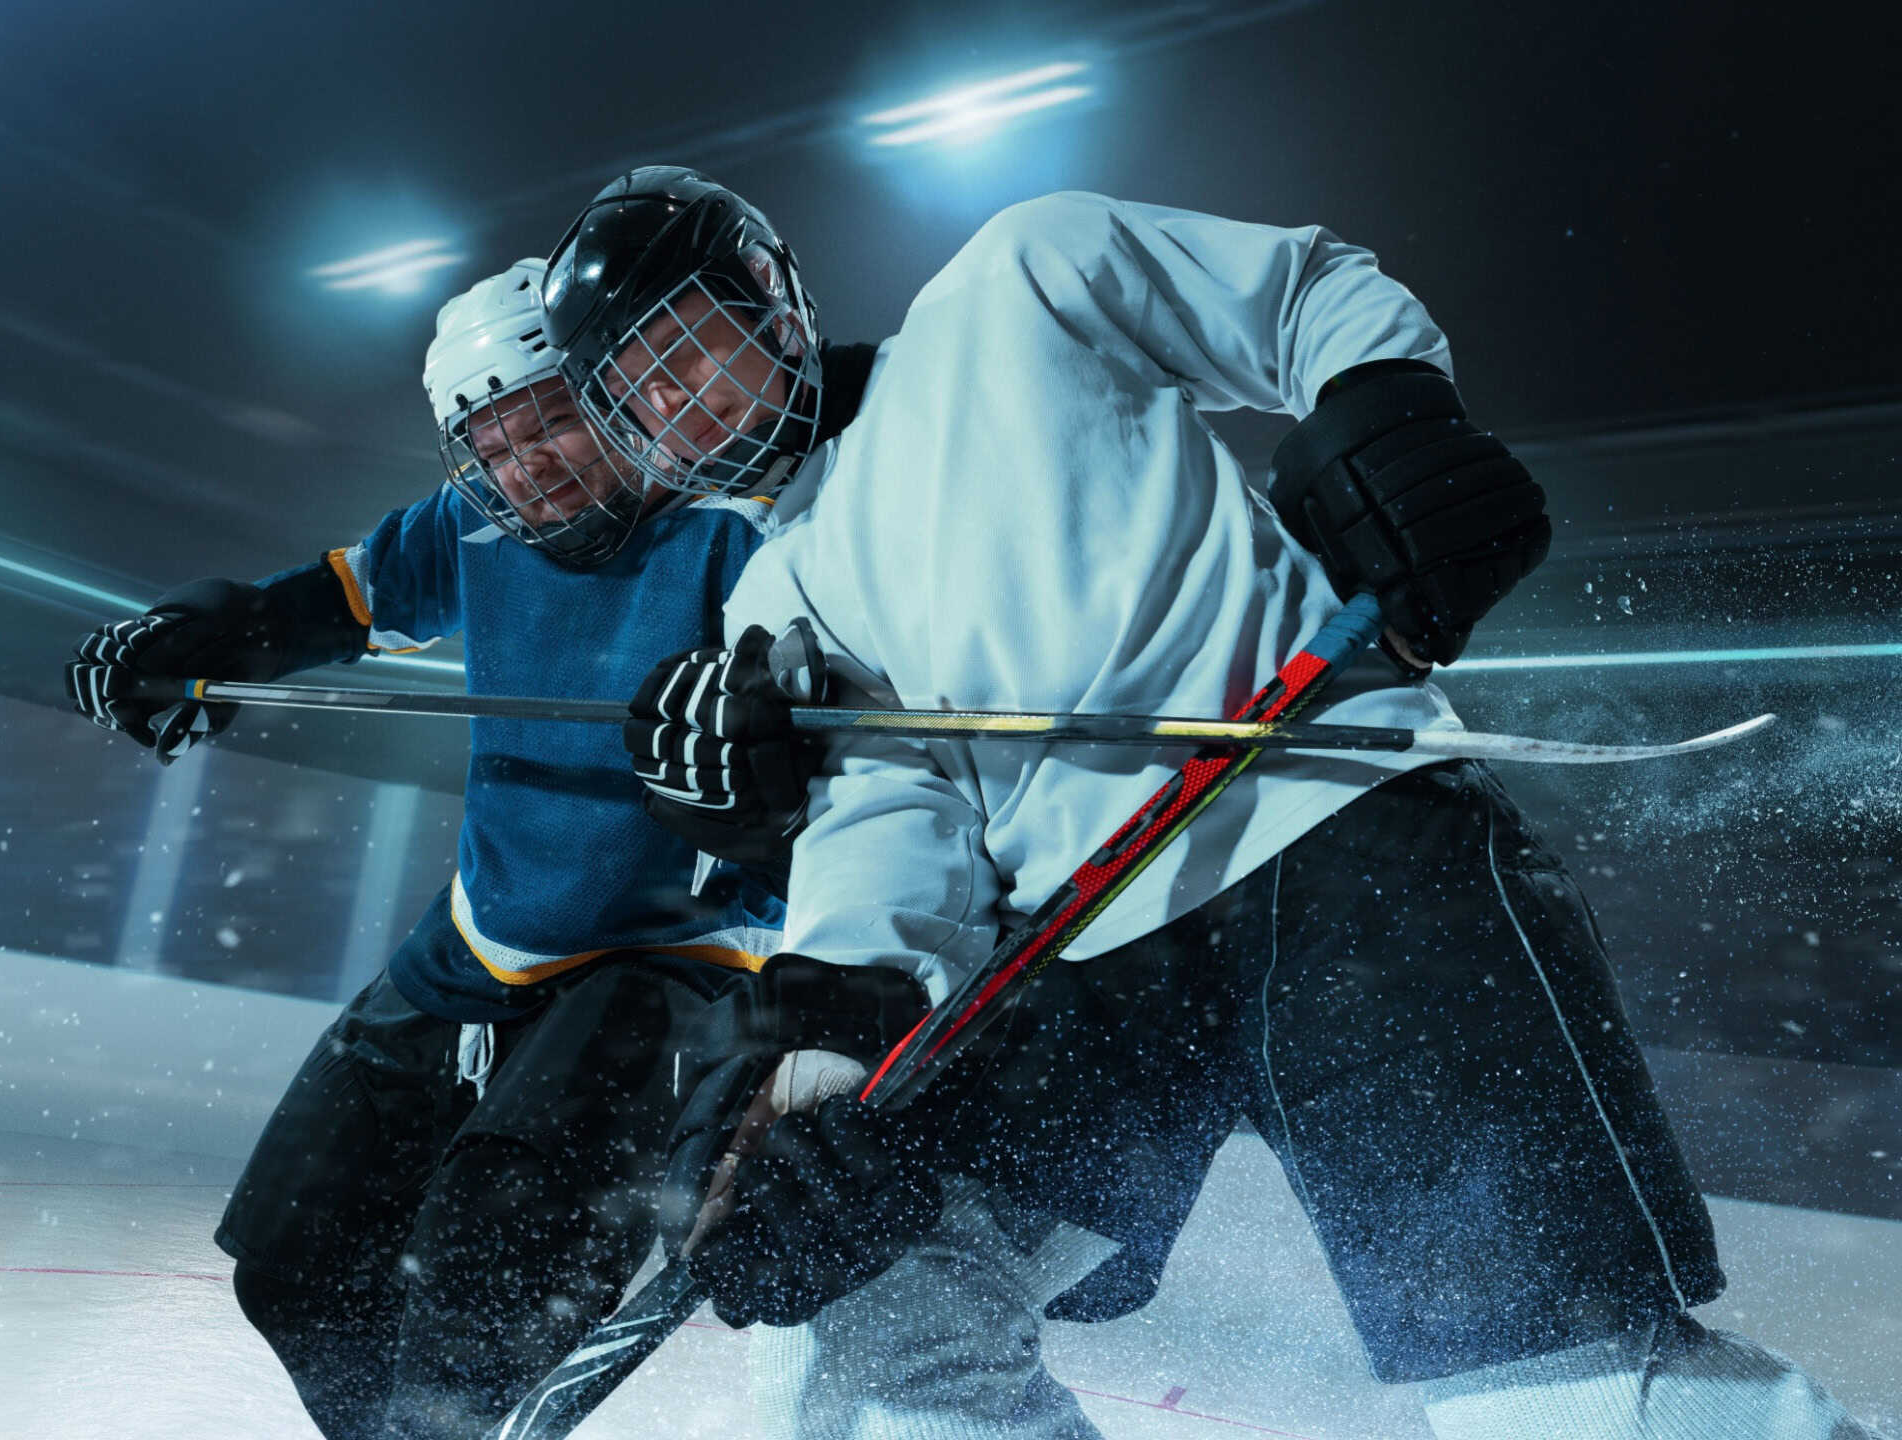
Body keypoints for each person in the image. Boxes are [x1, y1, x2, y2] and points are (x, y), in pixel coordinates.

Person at [546, 168, 1884, 1439]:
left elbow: (1307, 293)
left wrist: (1387, 414)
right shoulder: (776, 598)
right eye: (633, 396)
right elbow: (889, 839)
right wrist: (818, 1085)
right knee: (863, 1344)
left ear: (772, 298)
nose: (675, 402)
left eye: (685, 346)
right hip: (1092, 960)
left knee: (1576, 1402)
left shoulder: (1018, 278)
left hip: (1349, 849)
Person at [64, 257, 912, 1439]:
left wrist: (778, 742)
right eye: (492, 443)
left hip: (670, 958)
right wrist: (202, 642)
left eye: (552, 420)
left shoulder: (742, 531)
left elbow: (848, 709)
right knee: (294, 1258)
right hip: (482, 940)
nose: (527, 467)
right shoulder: (470, 525)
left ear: (626, 395)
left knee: (482, 1281)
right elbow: (337, 601)